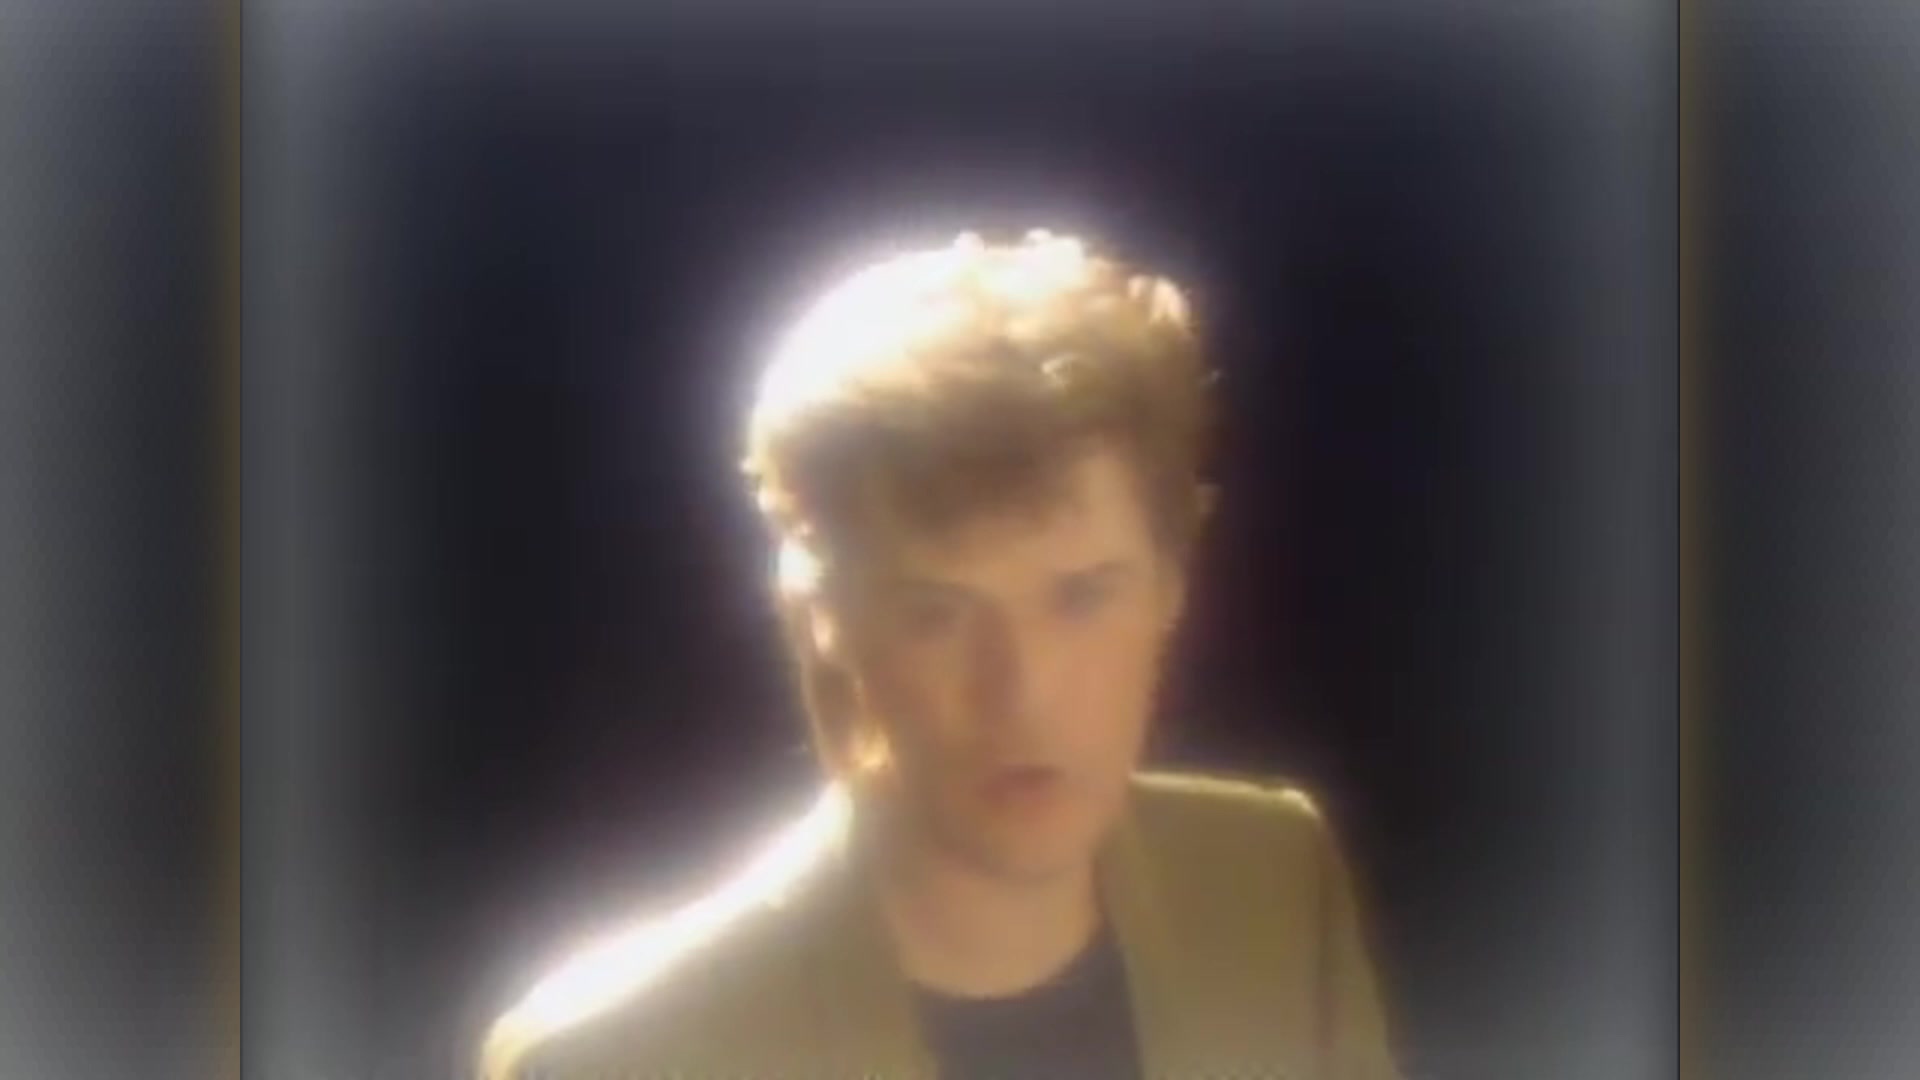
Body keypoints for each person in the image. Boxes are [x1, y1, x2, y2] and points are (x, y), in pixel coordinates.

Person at [480, 230, 1401, 1079]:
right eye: (936, 613)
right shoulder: (612, 1060)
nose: (1023, 692)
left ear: (1172, 581)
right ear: (823, 622)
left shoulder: (1275, 880)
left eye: (1082, 597)